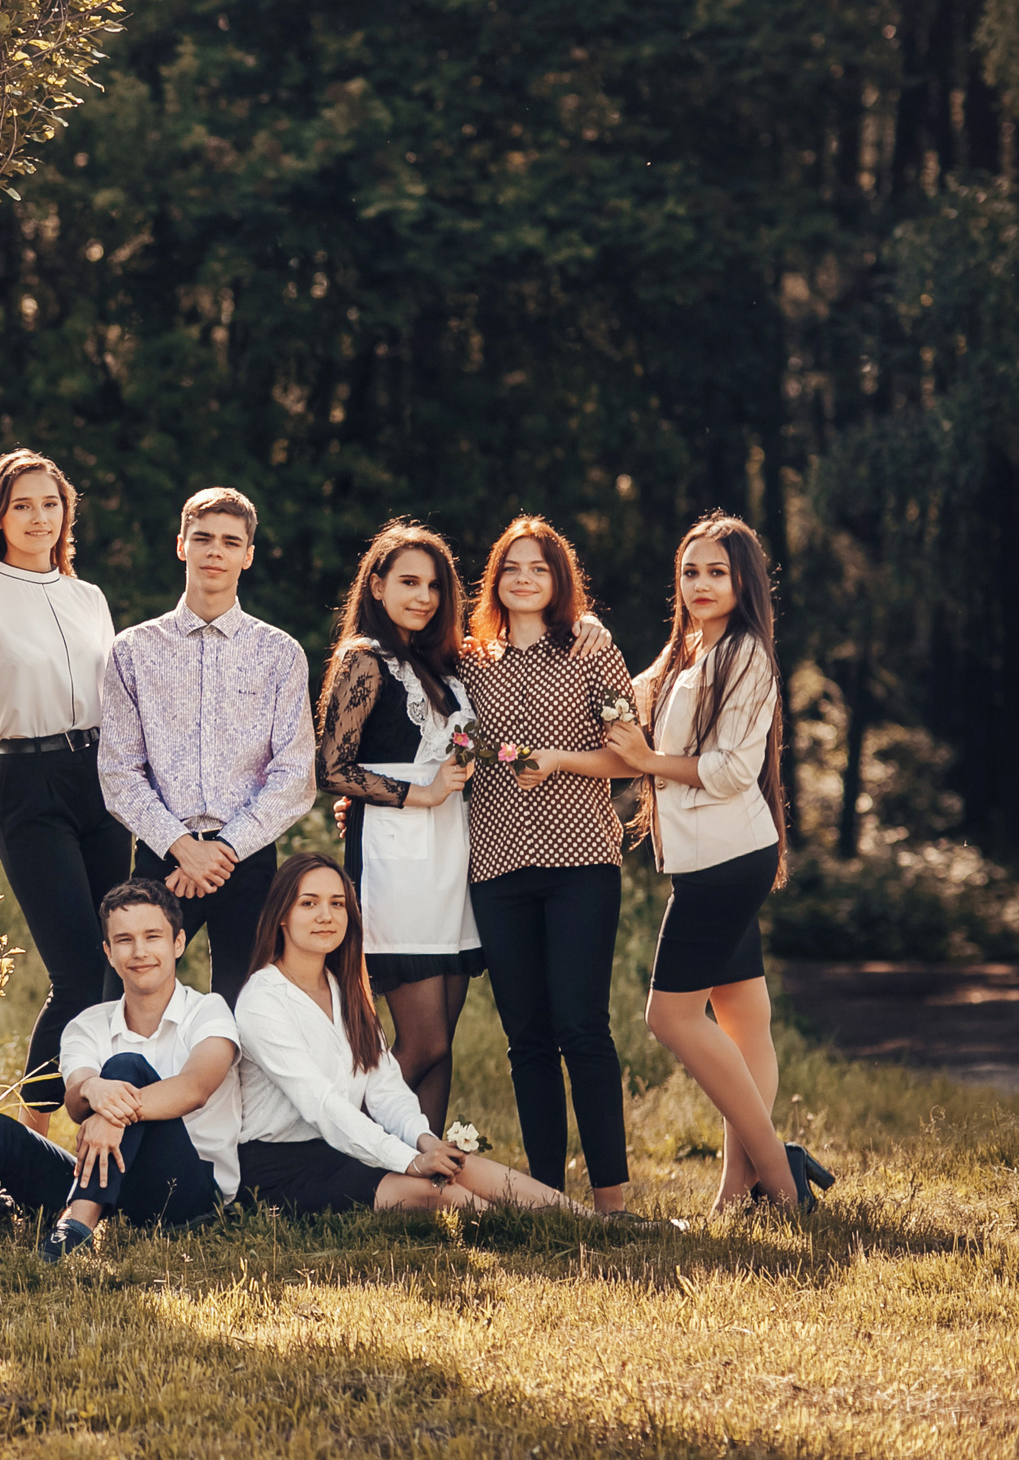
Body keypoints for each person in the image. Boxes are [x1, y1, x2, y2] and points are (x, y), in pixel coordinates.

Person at [605, 513, 830, 1211]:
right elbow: (616, 693)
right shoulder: (686, 654)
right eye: (690, 571)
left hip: (727, 861)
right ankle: (739, 1194)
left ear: (744, 582)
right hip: (718, 857)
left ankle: (782, 1179)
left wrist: (646, 761)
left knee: (669, 1018)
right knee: (742, 1015)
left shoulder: (746, 657)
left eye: (717, 572)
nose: (701, 584)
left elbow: (733, 771)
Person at [0, 878, 240, 1265]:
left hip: (184, 1190)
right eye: (124, 940)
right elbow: (75, 1100)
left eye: (152, 936)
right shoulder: (88, 1024)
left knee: (124, 1069)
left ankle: (74, 1230)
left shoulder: (208, 1010)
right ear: (108, 951)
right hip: (103, 1177)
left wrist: (109, 1109)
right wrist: (93, 1091)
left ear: (177, 943)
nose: (139, 952)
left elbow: (194, 1088)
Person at [232, 854, 593, 1218]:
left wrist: (426, 1142)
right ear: (281, 915)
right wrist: (411, 1161)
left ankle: (592, 1224)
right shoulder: (262, 1000)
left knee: (461, 1166)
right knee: (439, 1195)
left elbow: (386, 1088)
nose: (326, 915)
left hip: (341, 1148)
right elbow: (321, 1105)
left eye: (337, 903)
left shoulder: (344, 990)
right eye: (309, 903)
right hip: (278, 1170)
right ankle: (534, 1235)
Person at [460, 516, 639, 1212]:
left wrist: (561, 759)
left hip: (581, 861)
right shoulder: (473, 660)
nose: (525, 577)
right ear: (496, 580)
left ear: (560, 580)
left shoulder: (591, 648)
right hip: (499, 864)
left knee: (582, 1027)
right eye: (512, 567)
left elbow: (629, 752)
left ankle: (612, 1206)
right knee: (526, 1038)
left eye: (539, 567)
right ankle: (548, 1201)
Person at [0, 450, 129, 1140]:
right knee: (80, 970)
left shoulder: (87, 597)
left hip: (103, 782)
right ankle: (27, 1136)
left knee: (113, 967)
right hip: (29, 783)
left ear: (66, 514)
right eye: (22, 505)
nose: (38, 517)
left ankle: (97, 1132)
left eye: (50, 504)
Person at [97, 486, 314, 1009]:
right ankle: (123, 1092)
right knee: (128, 999)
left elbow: (295, 775)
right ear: (182, 546)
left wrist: (223, 850)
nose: (215, 551)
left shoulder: (280, 653)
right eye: (203, 538)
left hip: (249, 857)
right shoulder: (133, 650)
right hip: (163, 853)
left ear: (248, 555)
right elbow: (120, 773)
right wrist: (182, 846)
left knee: (249, 1010)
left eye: (230, 541)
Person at [314, 522, 478, 1133]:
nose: (423, 596)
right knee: (424, 1040)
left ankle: (424, 1173)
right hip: (393, 862)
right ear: (376, 585)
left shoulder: (442, 668)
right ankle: (330, 1141)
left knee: (445, 1041)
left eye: (434, 585)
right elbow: (331, 766)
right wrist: (421, 792)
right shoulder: (365, 660)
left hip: (452, 859)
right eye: (408, 581)